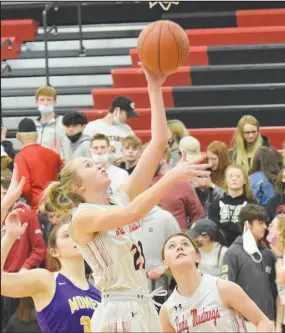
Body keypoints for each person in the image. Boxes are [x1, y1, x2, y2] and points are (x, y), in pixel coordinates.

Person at [43, 63, 211, 332]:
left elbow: (157, 144)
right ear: (76, 187)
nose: (97, 164)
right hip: (118, 309)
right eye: (87, 165)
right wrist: (171, 177)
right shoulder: (82, 218)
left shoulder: (117, 198)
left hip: (142, 302)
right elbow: (131, 213)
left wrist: (154, 86)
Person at [1, 218, 102, 333]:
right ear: (54, 252)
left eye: (77, 233)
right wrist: (10, 236)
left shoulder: (99, 291)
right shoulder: (47, 280)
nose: (75, 237)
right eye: (67, 235)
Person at [159, 233, 274, 332]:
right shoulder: (167, 311)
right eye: (172, 246)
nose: (179, 247)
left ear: (197, 257)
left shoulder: (223, 288)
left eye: (185, 244)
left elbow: (264, 322)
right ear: (165, 264)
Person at [221, 204, 278, 332]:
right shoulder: (232, 253)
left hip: (268, 320)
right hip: (243, 322)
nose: (265, 227)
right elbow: (225, 291)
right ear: (247, 224)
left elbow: (275, 291)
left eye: (265, 223)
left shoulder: (269, 254)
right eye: (260, 223)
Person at [14, 118, 63, 211]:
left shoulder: (21, 156)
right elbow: (63, 177)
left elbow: (24, 188)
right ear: (37, 136)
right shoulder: (53, 154)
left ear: (18, 137)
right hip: (56, 205)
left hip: (37, 207)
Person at [152, 146, 205, 231]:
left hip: (178, 239)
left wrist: (190, 237)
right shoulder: (142, 184)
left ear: (164, 158)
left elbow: (198, 216)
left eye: (151, 157)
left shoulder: (182, 184)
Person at [141, 206, 181, 308]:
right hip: (127, 292)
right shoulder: (121, 217)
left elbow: (179, 252)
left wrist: (164, 269)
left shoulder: (164, 218)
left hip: (159, 289)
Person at [208, 164, 256, 247]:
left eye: (238, 176)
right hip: (221, 246)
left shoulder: (252, 204)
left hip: (244, 246)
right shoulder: (215, 205)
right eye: (230, 176)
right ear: (226, 180)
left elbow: (251, 230)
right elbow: (214, 230)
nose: (234, 179)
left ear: (244, 180)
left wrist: (226, 226)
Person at [194, 141, 231, 213]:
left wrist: (212, 186)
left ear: (223, 158)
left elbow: (230, 198)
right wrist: (201, 190)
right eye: (208, 159)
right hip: (206, 215)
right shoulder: (204, 172)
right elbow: (199, 203)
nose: (210, 162)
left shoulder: (232, 173)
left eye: (213, 159)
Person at [33, 86, 68, 160]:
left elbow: (67, 149)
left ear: (55, 102)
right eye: (42, 100)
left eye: (49, 100)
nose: (45, 103)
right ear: (36, 102)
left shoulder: (63, 123)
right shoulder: (33, 125)